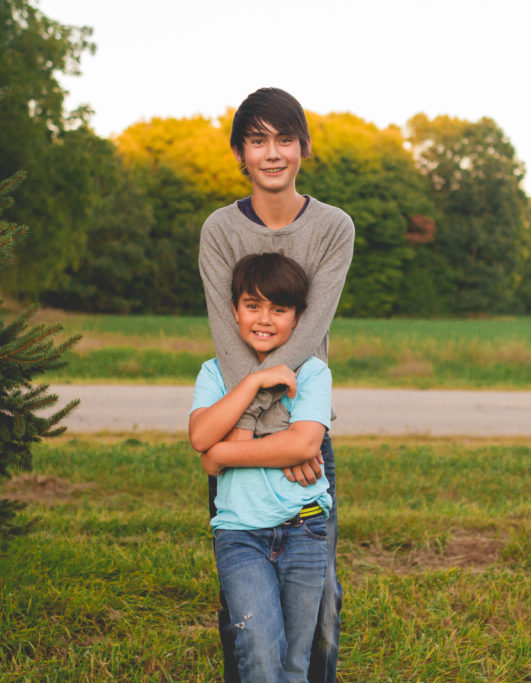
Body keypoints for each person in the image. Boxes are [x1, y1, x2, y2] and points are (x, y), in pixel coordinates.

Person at [199, 86, 354, 682]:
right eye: (257, 140)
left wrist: (288, 431)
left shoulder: (335, 228)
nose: (272, 153)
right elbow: (226, 334)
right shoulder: (218, 230)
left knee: (322, 605)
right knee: (246, 605)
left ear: (303, 147)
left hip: (298, 430)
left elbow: (310, 332)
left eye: (284, 139)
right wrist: (256, 426)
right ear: (240, 152)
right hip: (238, 423)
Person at [190, 253, 333, 681]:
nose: (264, 319)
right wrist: (253, 381)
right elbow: (200, 436)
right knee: (257, 645)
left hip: (304, 530)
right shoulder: (215, 374)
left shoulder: (311, 373)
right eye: (253, 305)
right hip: (240, 535)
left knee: (293, 663)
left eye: (280, 308)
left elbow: (305, 443)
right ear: (233, 312)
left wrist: (221, 455)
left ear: (299, 318)